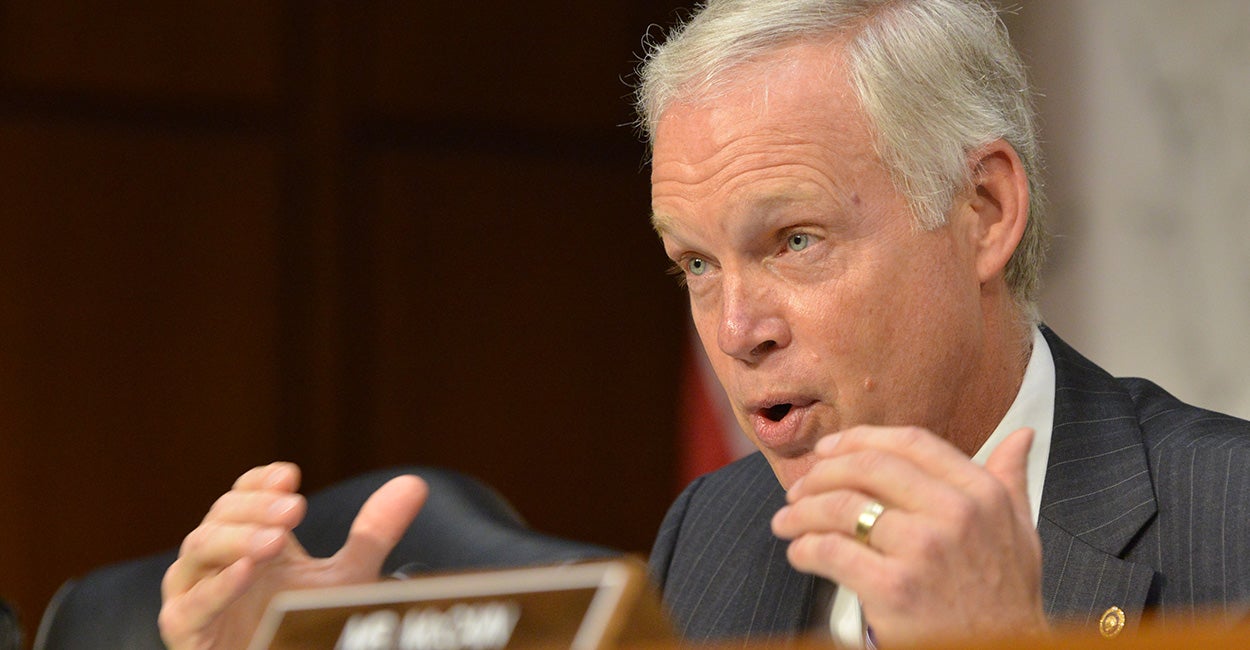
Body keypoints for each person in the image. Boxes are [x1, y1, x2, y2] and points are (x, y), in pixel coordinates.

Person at [158, 1, 1250, 648]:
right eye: (694, 262)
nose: (735, 328)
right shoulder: (720, 532)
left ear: (983, 211)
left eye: (794, 240)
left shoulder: (1228, 515)